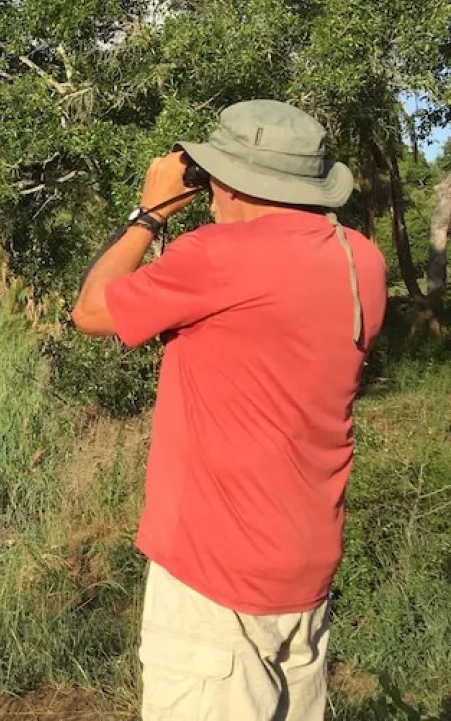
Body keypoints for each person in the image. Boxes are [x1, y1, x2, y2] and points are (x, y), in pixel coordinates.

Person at [70, 100, 388, 721]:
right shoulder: (363, 262)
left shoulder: (216, 256)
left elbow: (90, 310)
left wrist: (152, 211)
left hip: (215, 578)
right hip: (305, 571)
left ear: (235, 182)